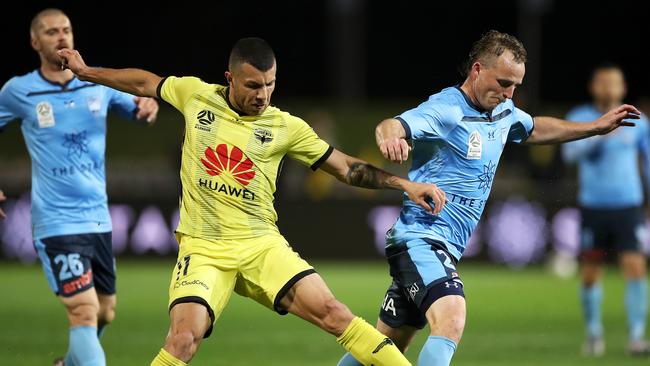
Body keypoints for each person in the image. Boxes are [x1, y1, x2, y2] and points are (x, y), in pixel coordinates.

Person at [57, 37, 448, 366]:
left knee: (335, 313)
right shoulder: (195, 95)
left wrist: (405, 185)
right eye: (252, 86)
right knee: (182, 340)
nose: (262, 95)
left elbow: (347, 168)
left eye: (269, 85)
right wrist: (87, 72)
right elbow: (146, 82)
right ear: (229, 78)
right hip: (204, 248)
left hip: (260, 245)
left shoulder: (285, 126)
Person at [336, 30, 641, 366]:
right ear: (478, 70)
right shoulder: (446, 109)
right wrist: (389, 137)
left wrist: (594, 127)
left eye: (516, 86)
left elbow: (534, 128)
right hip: (420, 238)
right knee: (452, 316)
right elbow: (393, 125)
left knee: (383, 348)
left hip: (446, 246)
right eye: (503, 82)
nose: (509, 93)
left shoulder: (504, 110)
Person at [0, 8, 159, 366]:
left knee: (105, 312)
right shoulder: (18, 91)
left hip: (98, 220)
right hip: (56, 222)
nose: (62, 37)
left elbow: (135, 104)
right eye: (52, 31)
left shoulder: (96, 84)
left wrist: (146, 107)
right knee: (84, 312)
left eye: (67, 30)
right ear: (34, 41)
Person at [562, 63, 650, 356]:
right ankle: (593, 334)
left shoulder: (638, 120)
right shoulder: (581, 118)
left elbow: (648, 161)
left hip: (629, 206)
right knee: (590, 272)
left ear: (623, 88)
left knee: (636, 269)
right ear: (593, 87)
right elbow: (569, 154)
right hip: (593, 207)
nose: (609, 88)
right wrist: (599, 134)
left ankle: (637, 337)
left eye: (614, 82)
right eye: (603, 82)